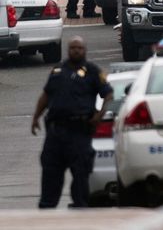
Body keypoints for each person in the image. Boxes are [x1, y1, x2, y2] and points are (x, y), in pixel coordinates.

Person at [31, 35, 113, 209]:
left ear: (85, 50)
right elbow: (46, 95)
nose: (76, 51)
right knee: (50, 175)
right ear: (68, 50)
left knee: (81, 176)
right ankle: (46, 213)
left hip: (79, 133)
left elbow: (109, 94)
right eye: (73, 48)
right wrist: (35, 117)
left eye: (79, 48)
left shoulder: (93, 71)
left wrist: (99, 115)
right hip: (56, 133)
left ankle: (80, 212)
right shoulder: (57, 70)